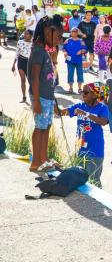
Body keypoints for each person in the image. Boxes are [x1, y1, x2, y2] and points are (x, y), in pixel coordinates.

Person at [27, 15, 64, 172]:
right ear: (48, 32)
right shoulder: (37, 52)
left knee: (46, 126)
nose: (60, 40)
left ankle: (44, 158)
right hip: (40, 97)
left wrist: (54, 60)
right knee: (40, 127)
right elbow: (34, 78)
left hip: (47, 97)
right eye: (59, 36)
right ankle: (36, 161)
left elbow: (47, 76)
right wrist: (36, 101)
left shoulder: (44, 51)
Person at [58, 82, 109, 187]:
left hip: (95, 149)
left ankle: (97, 202)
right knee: (80, 177)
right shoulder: (80, 106)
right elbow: (62, 112)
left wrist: (86, 114)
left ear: (95, 95)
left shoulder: (102, 108)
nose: (83, 95)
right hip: (81, 148)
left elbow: (103, 122)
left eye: (86, 92)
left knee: (93, 179)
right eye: (82, 92)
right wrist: (50, 102)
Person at [62, 27, 87, 94]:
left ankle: (79, 88)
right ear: (71, 32)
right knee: (70, 74)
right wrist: (65, 52)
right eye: (73, 31)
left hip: (79, 60)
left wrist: (81, 51)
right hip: (70, 61)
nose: (74, 32)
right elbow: (63, 48)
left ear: (78, 32)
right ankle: (70, 88)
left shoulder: (81, 41)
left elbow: (85, 49)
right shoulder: (67, 40)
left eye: (76, 31)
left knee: (80, 74)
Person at [11, 29, 33, 102]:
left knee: (31, 81)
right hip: (20, 61)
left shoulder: (33, 44)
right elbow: (17, 53)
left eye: (27, 34)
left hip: (29, 63)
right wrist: (13, 64)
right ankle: (24, 97)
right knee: (23, 80)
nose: (24, 35)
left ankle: (34, 97)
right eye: (24, 34)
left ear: (31, 36)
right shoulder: (20, 42)